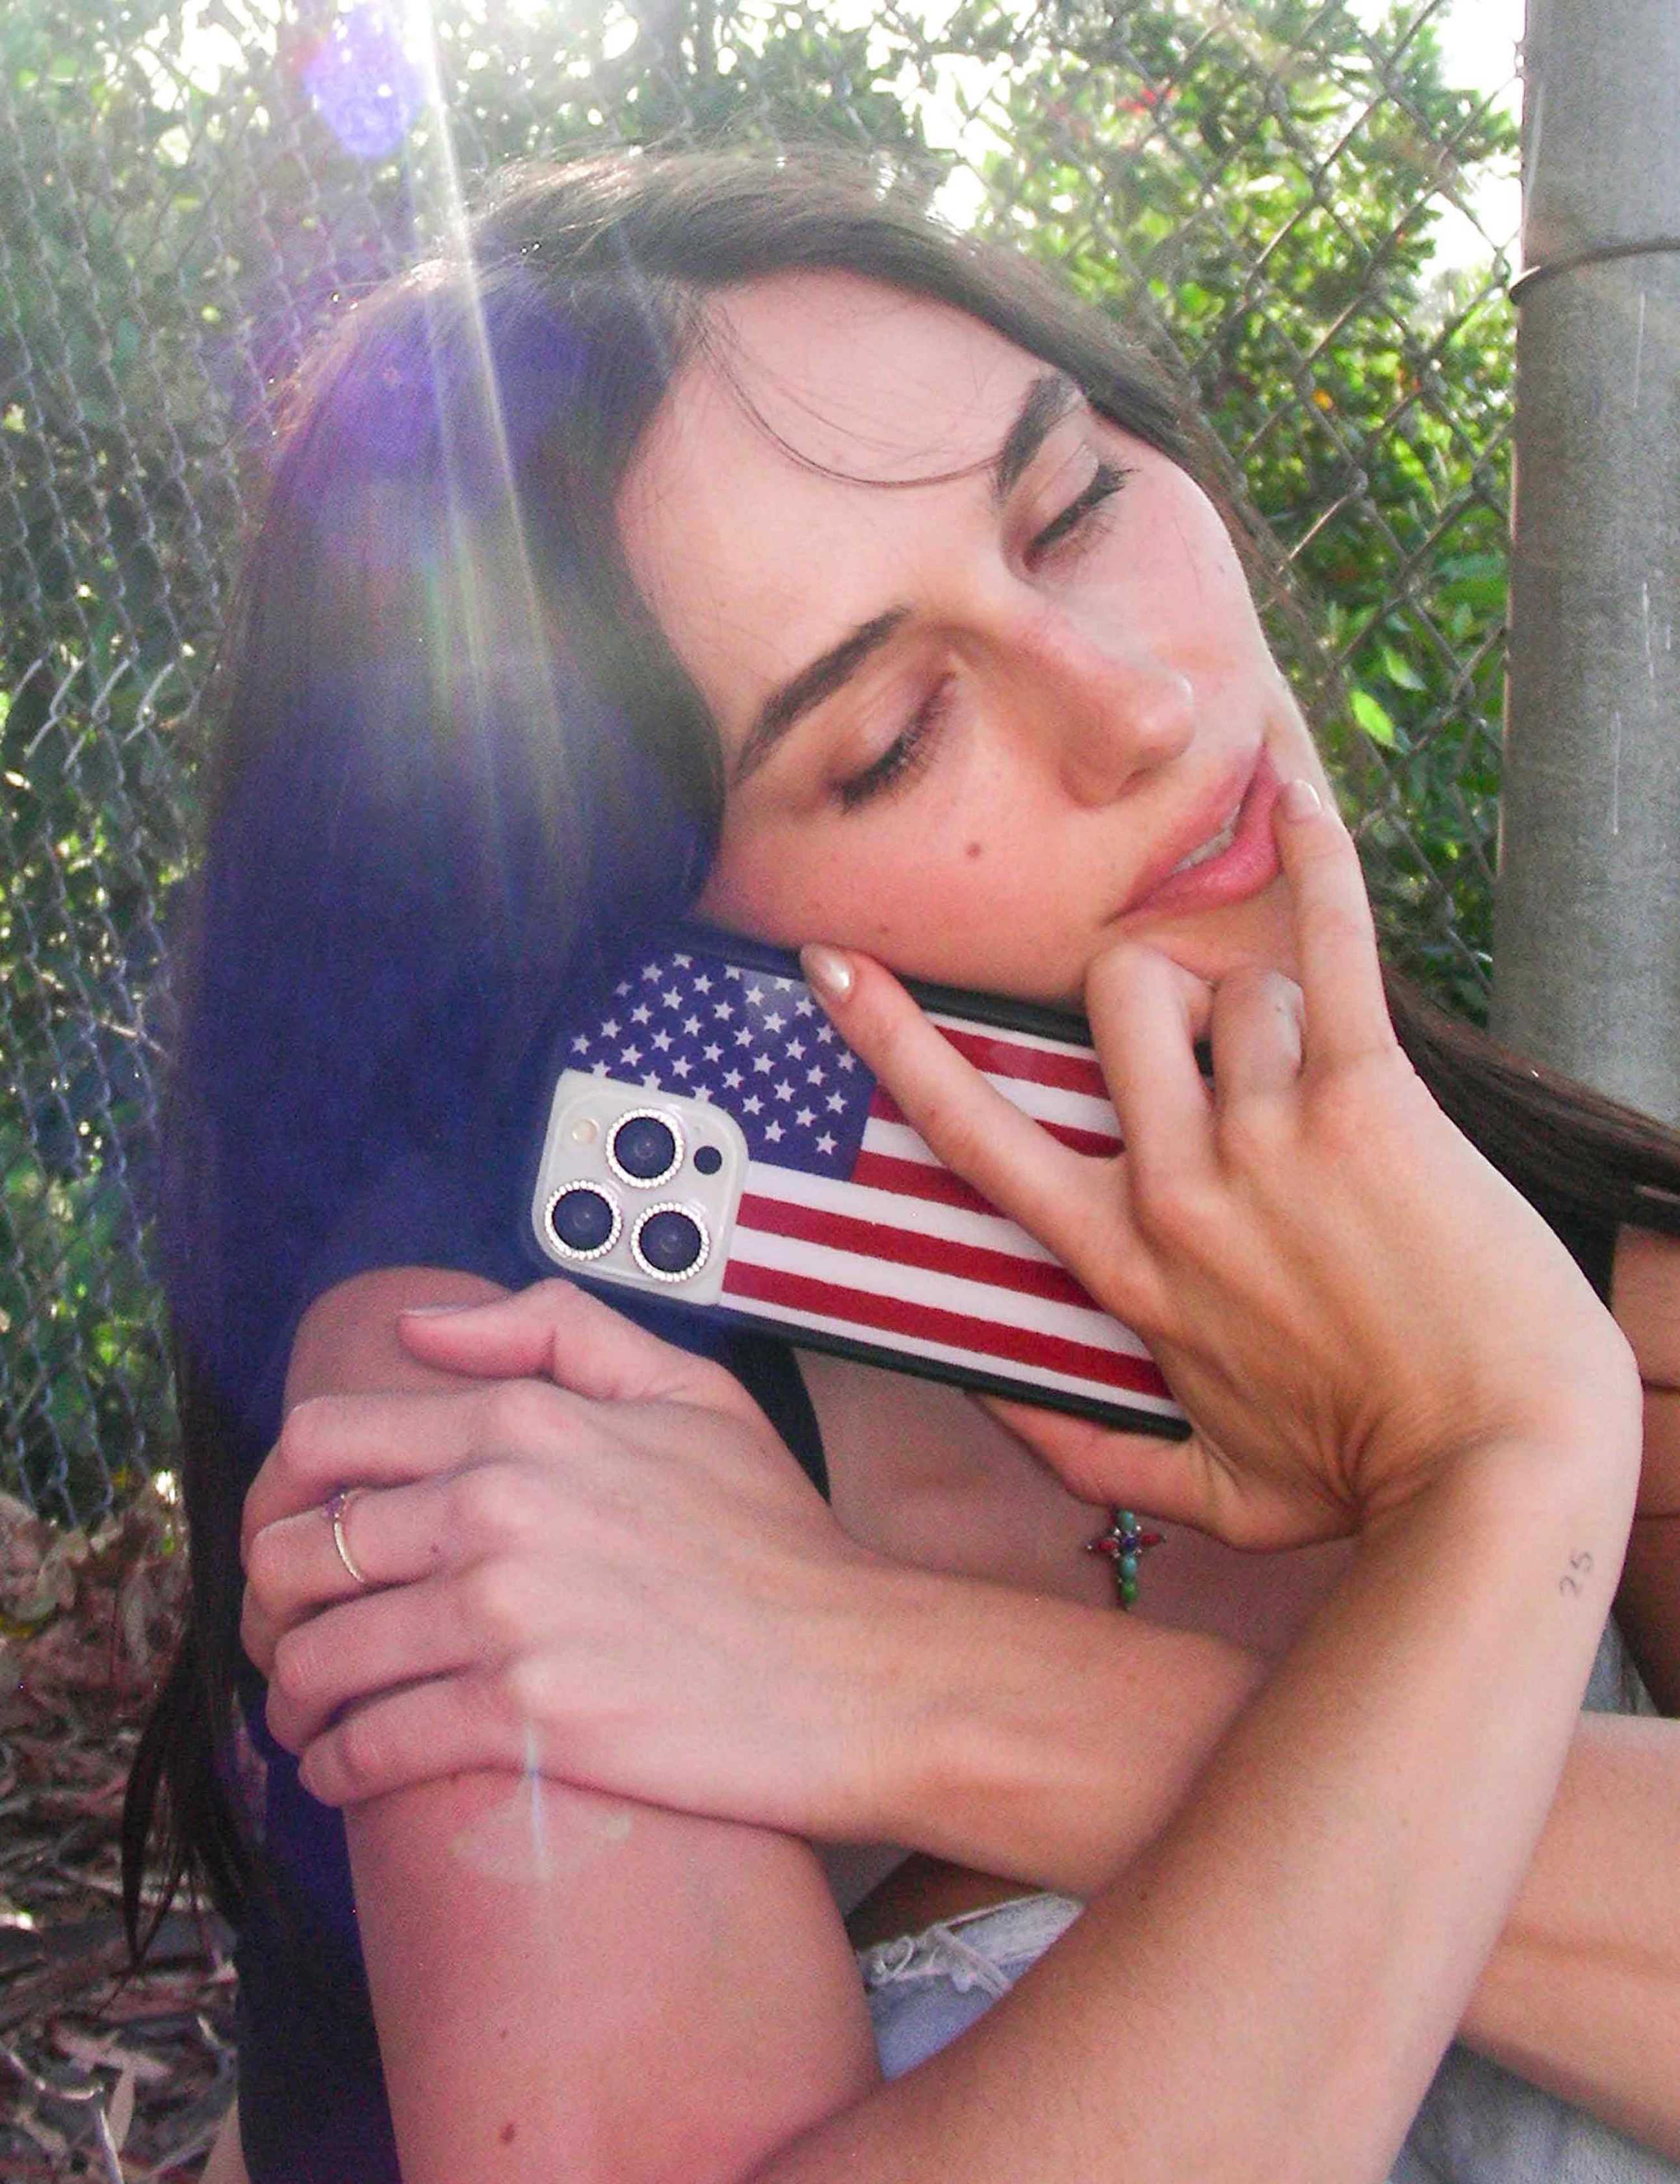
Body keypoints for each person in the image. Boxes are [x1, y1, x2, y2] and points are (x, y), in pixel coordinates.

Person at [119, 151, 1680, 2184]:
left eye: (1075, 508)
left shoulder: (1515, 1234)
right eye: (886, 741)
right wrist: (1516, 1485)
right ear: (652, 939)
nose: (1138, 707)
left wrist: (953, 1700)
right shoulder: (516, 1401)